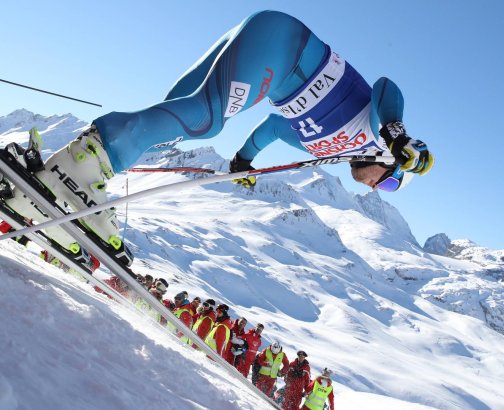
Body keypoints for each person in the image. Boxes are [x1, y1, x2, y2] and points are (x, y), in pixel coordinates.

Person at [4, 10, 434, 257]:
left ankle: (77, 174)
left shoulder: (326, 147)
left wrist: (243, 161)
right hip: (285, 47)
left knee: (174, 121)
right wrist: (397, 133)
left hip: (267, 42)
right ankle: (77, 169)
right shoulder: (375, 137)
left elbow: (273, 128)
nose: (381, 189)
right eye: (393, 181)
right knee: (204, 118)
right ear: (391, 163)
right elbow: (385, 87)